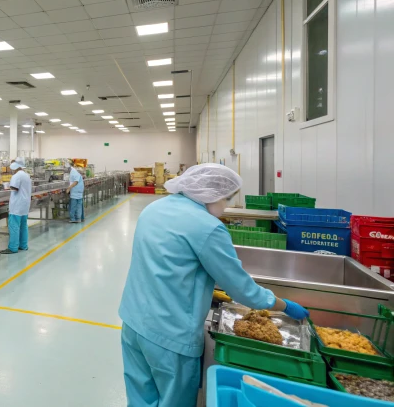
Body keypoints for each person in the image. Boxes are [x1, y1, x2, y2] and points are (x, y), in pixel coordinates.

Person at [118, 163, 309, 407]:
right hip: (170, 335)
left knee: (140, 398)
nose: (225, 205)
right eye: (226, 199)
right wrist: (282, 304)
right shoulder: (207, 227)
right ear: (213, 195)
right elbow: (240, 288)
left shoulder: (153, 209)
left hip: (133, 322)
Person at [2, 157, 31, 255]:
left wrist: (7, 185)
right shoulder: (27, 175)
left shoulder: (17, 176)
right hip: (25, 205)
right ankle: (23, 245)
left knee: (14, 226)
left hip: (17, 205)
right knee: (23, 226)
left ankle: (13, 248)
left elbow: (14, 188)